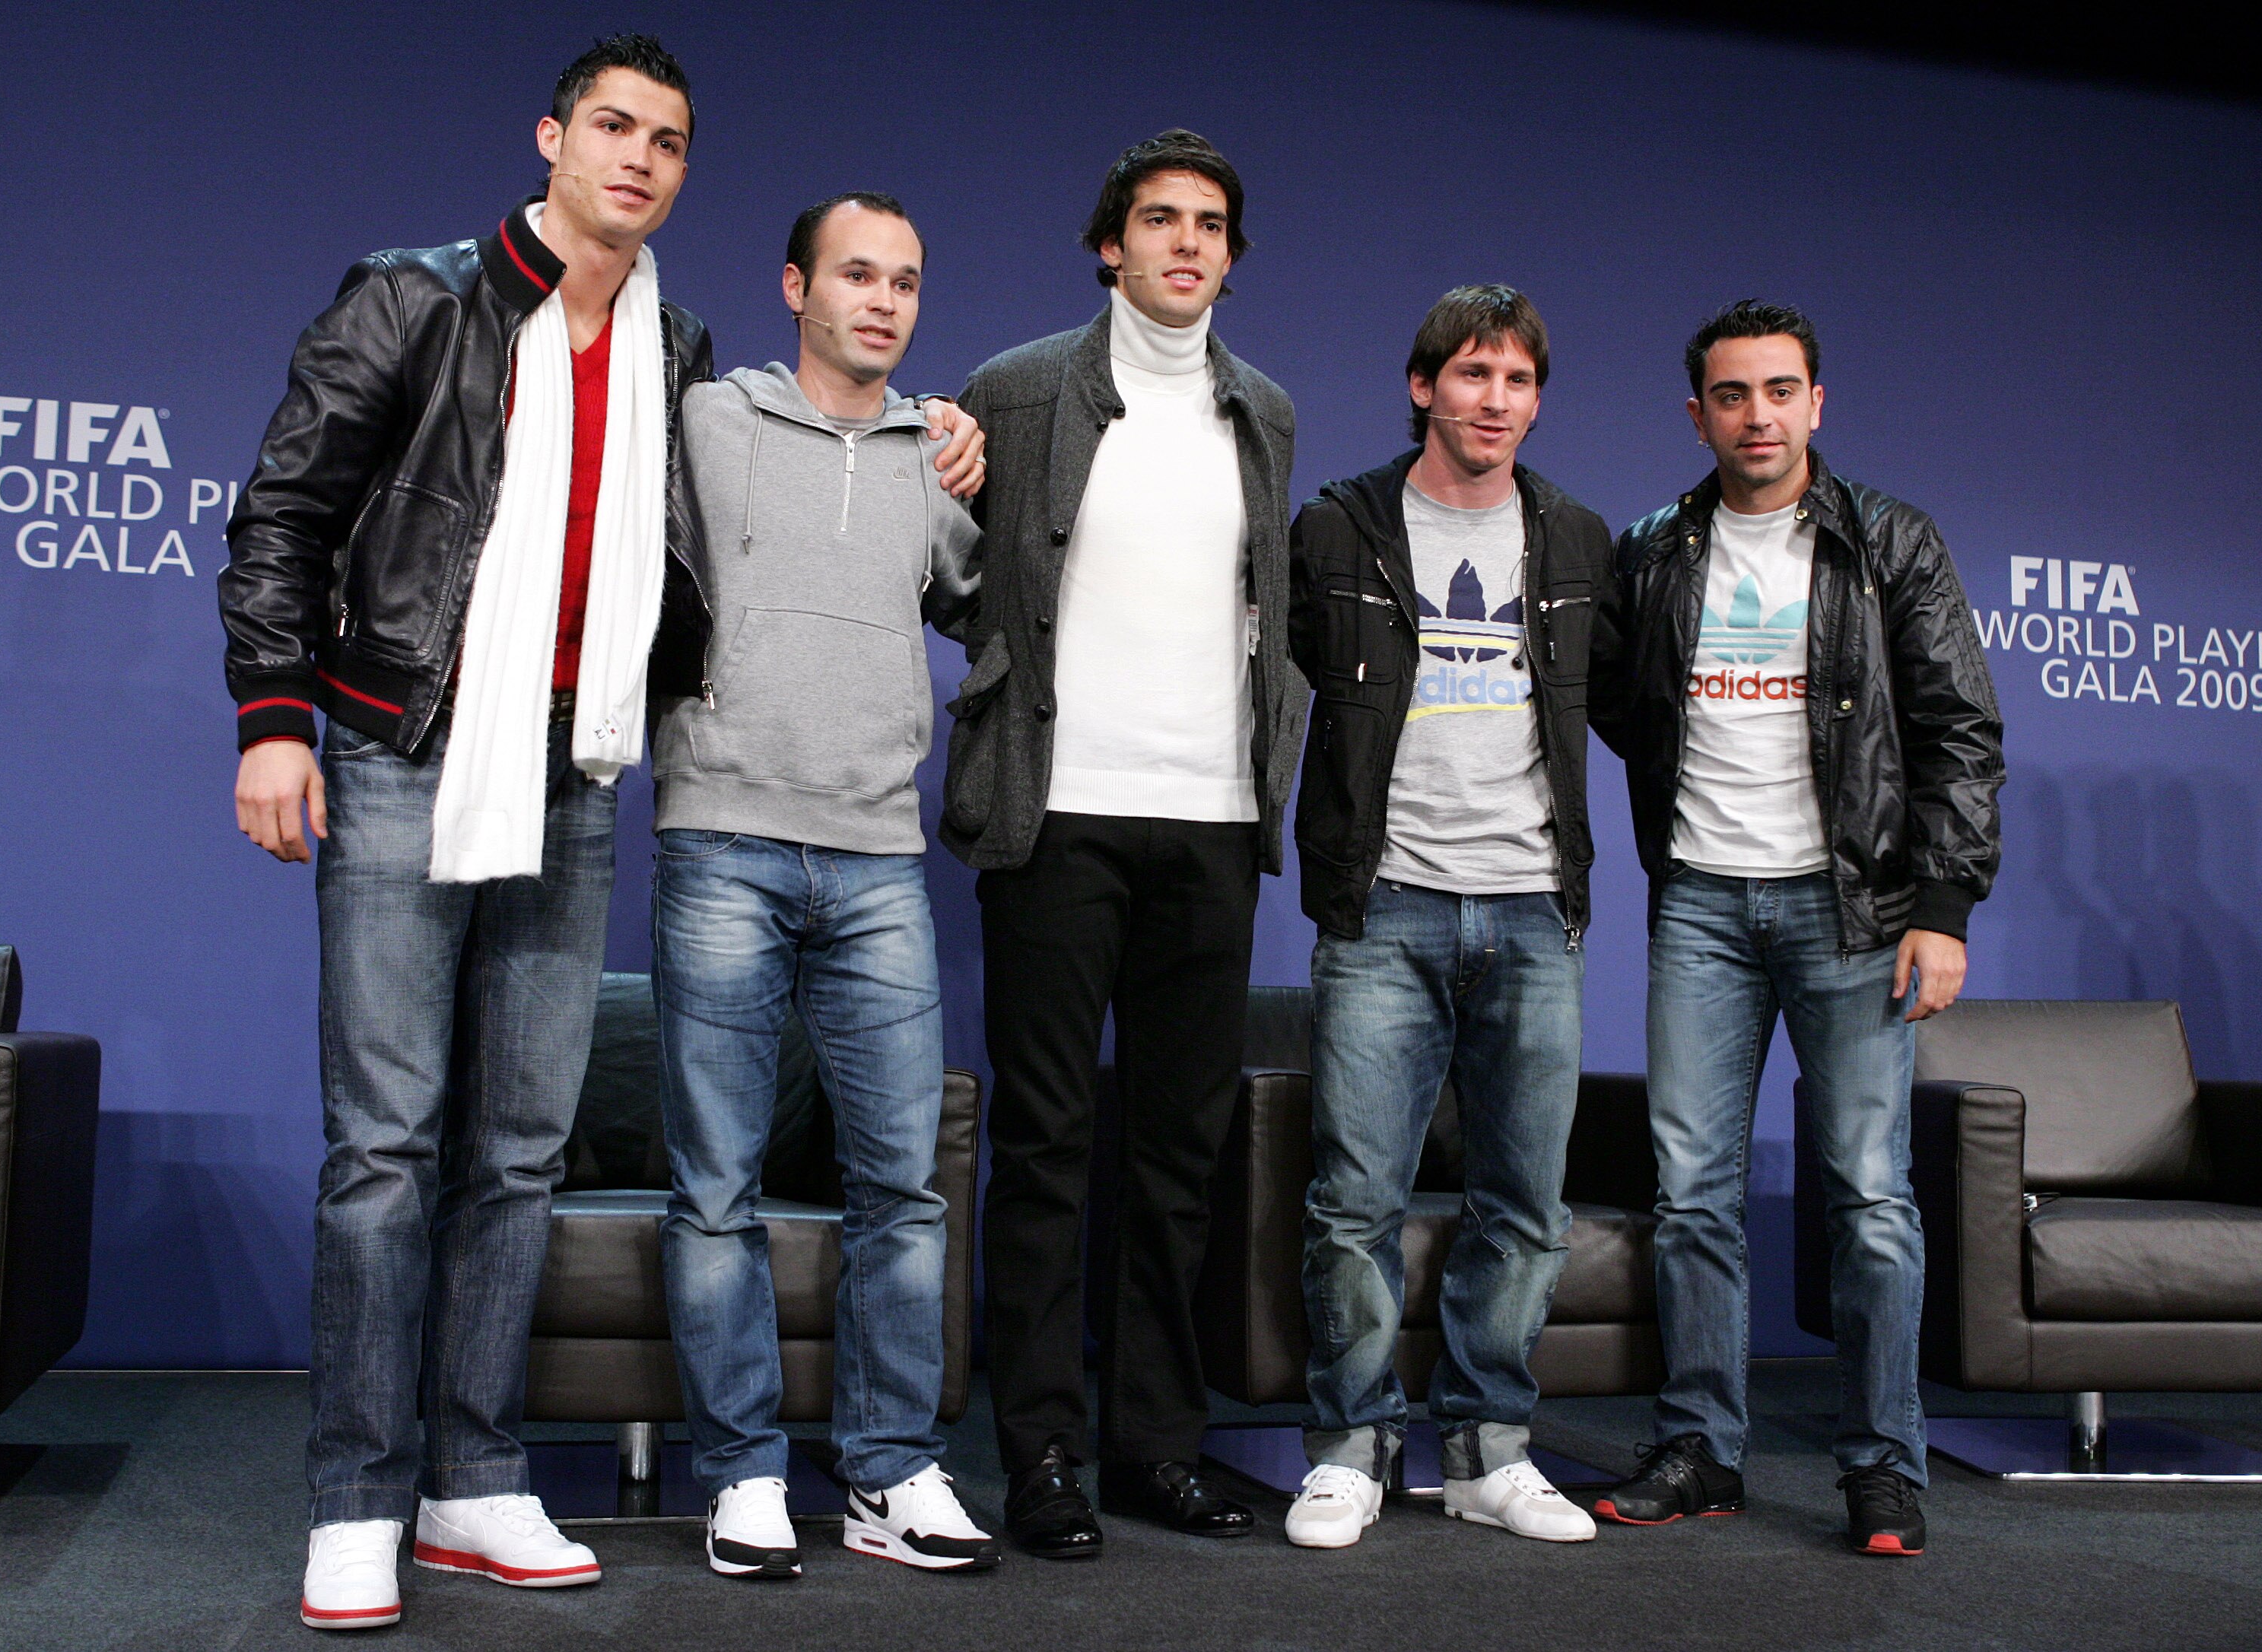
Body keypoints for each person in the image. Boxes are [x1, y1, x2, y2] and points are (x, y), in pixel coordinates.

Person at [220, 38, 980, 1629]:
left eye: (670, 141)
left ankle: (473, 1481)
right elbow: (287, 509)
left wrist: (948, 438)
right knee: (385, 1150)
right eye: (614, 127)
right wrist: (274, 718)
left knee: (514, 1153)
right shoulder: (418, 296)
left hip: (576, 774)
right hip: (395, 749)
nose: (638, 158)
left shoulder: (673, 344)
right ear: (551, 137)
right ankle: (356, 1495)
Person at [1587, 300, 2003, 1557]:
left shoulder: (1891, 542)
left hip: (1856, 909)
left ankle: (1883, 1465)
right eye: (1731, 394)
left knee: (1871, 1196)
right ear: (1699, 411)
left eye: (1780, 391)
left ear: (1816, 403)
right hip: (1703, 906)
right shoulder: (1655, 549)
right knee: (1692, 1195)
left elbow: (1958, 731)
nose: (1756, 416)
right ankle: (1705, 1447)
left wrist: (1941, 905)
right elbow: (1619, 702)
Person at [940, 130, 1304, 1558]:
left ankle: (1158, 1445)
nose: (1187, 244)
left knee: (1178, 1156)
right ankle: (1040, 1456)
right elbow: (952, 579)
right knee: (1047, 1147)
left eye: (1212, 224)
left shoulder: (1264, 410)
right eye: (1161, 219)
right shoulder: (1020, 388)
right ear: (1112, 243)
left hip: (1213, 823)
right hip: (1059, 816)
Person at [646, 191, 997, 1579]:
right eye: (858, 273)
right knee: (716, 1186)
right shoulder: (708, 417)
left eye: (906, 281)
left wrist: (968, 443)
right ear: (797, 283)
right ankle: (739, 1474)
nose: (885, 300)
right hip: (721, 835)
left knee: (901, 1188)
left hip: (878, 858)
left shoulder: (933, 455)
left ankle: (891, 1471)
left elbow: (986, 604)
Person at [1280, 286, 1610, 1549]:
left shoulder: (1576, 538)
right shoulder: (1341, 529)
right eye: (1473, 376)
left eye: (1518, 381)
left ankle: (1487, 1451)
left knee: (1525, 1202)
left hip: (1533, 909)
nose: (1496, 403)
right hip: (1387, 904)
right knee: (1354, 1199)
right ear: (1424, 387)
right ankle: (1352, 1449)